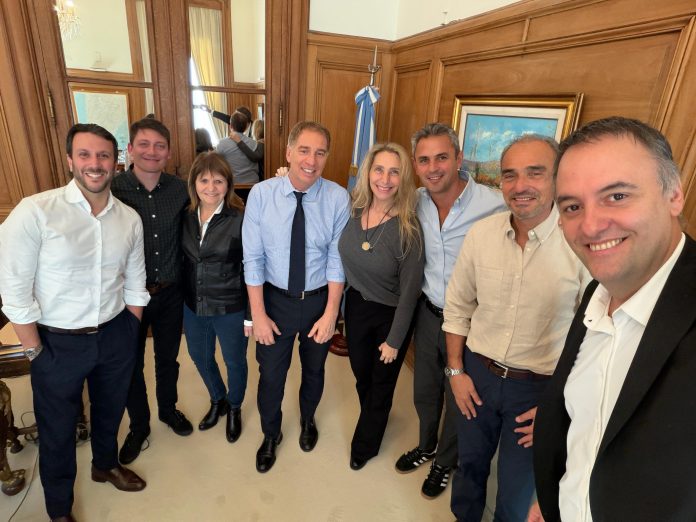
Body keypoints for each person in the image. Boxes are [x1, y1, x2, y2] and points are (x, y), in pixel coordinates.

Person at [531, 117, 695, 522]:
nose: (590, 225)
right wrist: (558, 497)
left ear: (674, 194)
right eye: (572, 206)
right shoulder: (597, 293)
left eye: (617, 196)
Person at [0, 123, 150, 521]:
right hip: (56, 342)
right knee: (57, 430)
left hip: (115, 333)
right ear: (70, 160)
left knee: (109, 410)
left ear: (116, 162)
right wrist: (35, 350)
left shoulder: (129, 219)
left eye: (103, 155)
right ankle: (59, 509)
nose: (94, 164)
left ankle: (105, 465)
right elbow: (14, 289)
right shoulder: (36, 211)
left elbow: (136, 281)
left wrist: (130, 329)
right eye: (85, 154)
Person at [443, 134, 590, 521]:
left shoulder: (581, 244)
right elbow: (457, 307)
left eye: (535, 173)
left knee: (517, 489)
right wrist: (455, 372)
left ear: (557, 178)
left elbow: (592, 340)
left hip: (538, 390)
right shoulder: (481, 235)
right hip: (476, 375)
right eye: (510, 175)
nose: (520, 185)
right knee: (469, 467)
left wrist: (558, 405)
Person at [395, 123, 506, 499]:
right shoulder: (415, 200)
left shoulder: (494, 204)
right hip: (428, 314)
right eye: (424, 160)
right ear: (415, 165)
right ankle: (427, 445)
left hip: (473, 323)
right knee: (425, 391)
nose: (433, 168)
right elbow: (371, 202)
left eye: (441, 157)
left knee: (461, 396)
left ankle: (445, 460)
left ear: (459, 158)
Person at [243, 121, 350, 473]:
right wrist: (258, 315)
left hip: (319, 301)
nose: (311, 160)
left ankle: (307, 419)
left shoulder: (337, 198)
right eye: (304, 150)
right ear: (288, 152)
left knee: (314, 370)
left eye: (320, 152)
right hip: (274, 302)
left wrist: (332, 313)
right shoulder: (261, 195)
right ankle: (270, 434)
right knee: (271, 375)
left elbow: (336, 260)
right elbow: (253, 259)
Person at [111, 117, 193, 465]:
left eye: (159, 146)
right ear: (130, 149)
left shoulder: (180, 189)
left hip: (171, 292)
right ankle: (139, 425)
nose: (152, 152)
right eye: (144, 145)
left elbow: (215, 202)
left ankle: (168, 409)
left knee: (167, 359)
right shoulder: (113, 190)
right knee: (131, 363)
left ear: (168, 152)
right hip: (129, 296)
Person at [338, 143, 424, 471]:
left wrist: (395, 340)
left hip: (391, 315)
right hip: (356, 307)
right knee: (362, 375)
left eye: (394, 172)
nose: (385, 179)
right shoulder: (352, 210)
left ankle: (365, 444)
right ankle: (374, 414)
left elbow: (410, 293)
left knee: (382, 383)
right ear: (367, 173)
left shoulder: (408, 228)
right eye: (379, 170)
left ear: (403, 178)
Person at [181, 152, 251, 442]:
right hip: (193, 305)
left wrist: (251, 315)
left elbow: (253, 268)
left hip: (231, 306)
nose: (211, 188)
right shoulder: (186, 215)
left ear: (228, 185)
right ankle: (217, 398)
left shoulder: (240, 219)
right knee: (199, 356)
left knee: (234, 361)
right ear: (194, 183)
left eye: (218, 181)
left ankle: (234, 407)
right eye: (204, 180)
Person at [216, 111, 260, 189]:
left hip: (233, 186)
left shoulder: (222, 144)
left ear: (230, 126)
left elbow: (214, 163)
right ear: (246, 127)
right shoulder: (254, 143)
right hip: (253, 185)